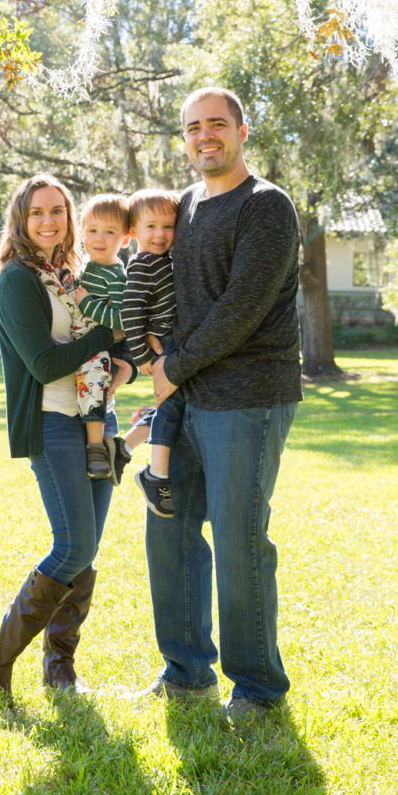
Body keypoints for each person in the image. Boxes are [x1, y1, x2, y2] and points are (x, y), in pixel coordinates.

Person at [144, 86, 302, 721]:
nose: (204, 136)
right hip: (183, 400)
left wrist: (172, 368)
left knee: (239, 540)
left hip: (248, 399)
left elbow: (243, 306)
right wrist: (149, 364)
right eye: (192, 128)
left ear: (241, 130)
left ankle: (258, 689)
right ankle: (186, 672)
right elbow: (161, 291)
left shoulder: (266, 206)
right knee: (171, 528)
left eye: (216, 124)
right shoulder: (181, 207)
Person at [0, 174, 132, 699]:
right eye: (37, 212)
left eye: (57, 211)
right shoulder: (18, 279)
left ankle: (59, 669)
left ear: (69, 215)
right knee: (74, 545)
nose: (48, 221)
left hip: (97, 418)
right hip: (52, 421)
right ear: (20, 220)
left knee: (86, 552)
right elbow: (43, 364)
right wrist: (108, 335)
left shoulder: (70, 270)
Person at [118, 188, 182, 518]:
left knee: (171, 404)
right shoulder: (144, 262)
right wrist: (141, 354)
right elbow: (131, 309)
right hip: (161, 346)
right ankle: (155, 475)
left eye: (168, 227)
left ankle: (125, 446)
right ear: (133, 233)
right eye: (151, 226)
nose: (160, 234)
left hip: (170, 341)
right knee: (170, 406)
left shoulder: (163, 261)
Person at [72, 193, 131, 482]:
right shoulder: (84, 263)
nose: (100, 238)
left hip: (98, 347)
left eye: (110, 232)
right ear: (82, 232)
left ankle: (96, 446)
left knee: (95, 384)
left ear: (125, 239)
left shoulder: (116, 275)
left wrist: (86, 304)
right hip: (76, 340)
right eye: (93, 230)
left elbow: (121, 319)